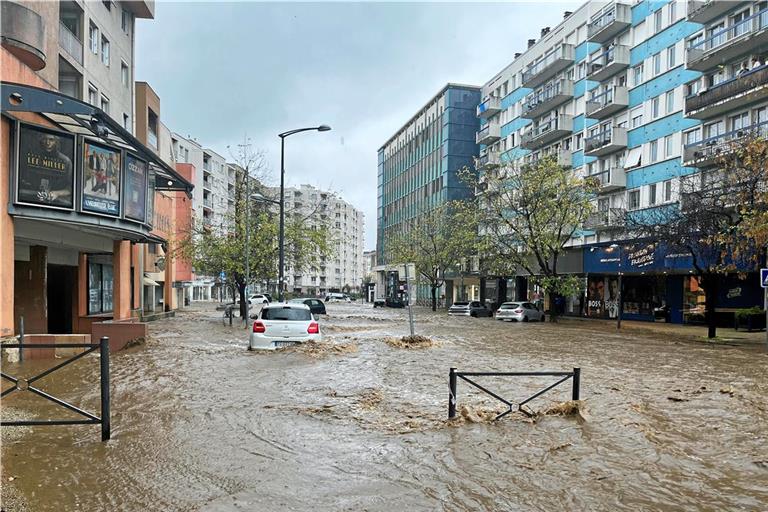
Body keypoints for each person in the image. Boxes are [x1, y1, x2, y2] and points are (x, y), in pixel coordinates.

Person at [22, 131, 73, 206]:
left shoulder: (66, 161)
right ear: (40, 140)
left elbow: (71, 188)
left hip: (57, 203)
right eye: (44, 139)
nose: (47, 142)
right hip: (31, 200)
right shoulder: (32, 157)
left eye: (51, 140)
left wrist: (57, 193)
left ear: (56, 142)